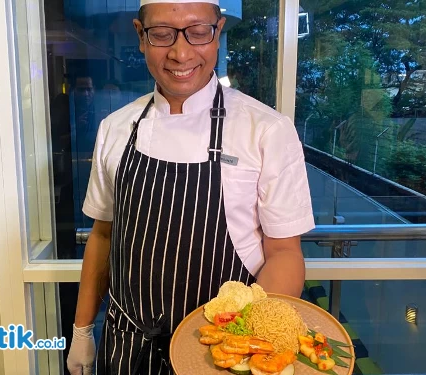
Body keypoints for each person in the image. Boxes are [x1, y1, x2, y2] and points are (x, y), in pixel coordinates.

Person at [66, 0, 315, 374]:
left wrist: (248, 344)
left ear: (218, 32)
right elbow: (103, 237)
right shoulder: (116, 128)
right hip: (127, 346)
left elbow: (284, 252)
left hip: (219, 355)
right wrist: (82, 330)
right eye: (162, 35)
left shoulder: (266, 130)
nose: (181, 53)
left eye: (198, 32)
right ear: (140, 35)